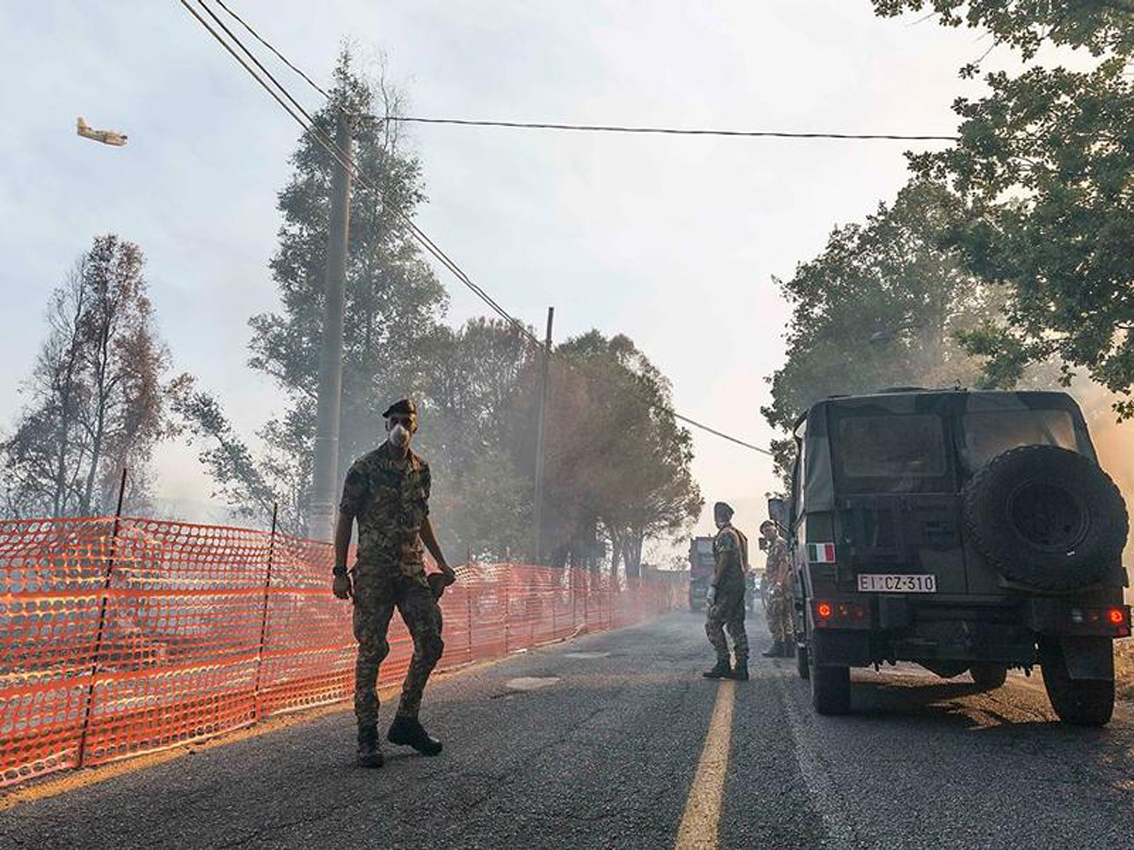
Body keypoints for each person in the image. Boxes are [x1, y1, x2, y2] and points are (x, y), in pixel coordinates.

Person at [332, 399, 457, 768]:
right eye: (395, 420)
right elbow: (345, 518)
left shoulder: (421, 470)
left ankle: (406, 720)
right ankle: (367, 736)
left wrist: (441, 561)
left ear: (415, 427)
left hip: (411, 571)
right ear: (386, 426)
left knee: (431, 640)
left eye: (407, 421)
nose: (401, 426)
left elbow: (422, 519)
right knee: (372, 650)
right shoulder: (364, 468)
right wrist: (339, 571)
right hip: (373, 574)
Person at [703, 501, 750, 681]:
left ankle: (723, 662)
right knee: (736, 624)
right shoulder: (740, 534)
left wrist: (715, 585)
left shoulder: (725, 535)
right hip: (738, 585)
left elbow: (723, 560)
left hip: (727, 587)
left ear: (717, 516)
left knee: (713, 624)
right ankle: (741, 666)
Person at [761, 520, 794, 658]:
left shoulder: (780, 544)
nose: (767, 533)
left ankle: (778, 645)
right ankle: (788, 647)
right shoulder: (774, 545)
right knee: (785, 615)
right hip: (779, 586)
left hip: (779, 586)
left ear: (775, 530)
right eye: (765, 531)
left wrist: (779, 583)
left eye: (769, 530)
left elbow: (784, 563)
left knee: (773, 615)